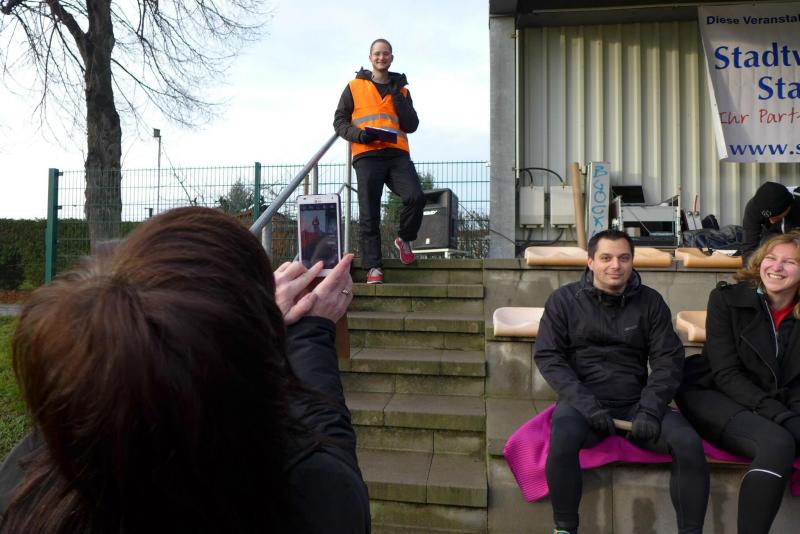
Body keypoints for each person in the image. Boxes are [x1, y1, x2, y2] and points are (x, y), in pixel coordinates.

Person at [0, 207, 370, 533]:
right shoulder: (311, 497)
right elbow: (327, 450)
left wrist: (249, 318)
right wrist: (308, 330)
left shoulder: (29, 478)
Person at [534, 229, 709, 534]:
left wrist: (650, 410)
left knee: (688, 442)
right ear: (590, 262)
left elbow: (668, 360)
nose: (615, 265)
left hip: (636, 404)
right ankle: (564, 529)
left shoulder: (651, 302)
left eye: (623, 258)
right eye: (606, 258)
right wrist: (587, 407)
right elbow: (549, 357)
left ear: (632, 262)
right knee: (562, 440)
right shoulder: (563, 301)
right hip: (583, 404)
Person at [677, 232, 800, 534]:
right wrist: (783, 416)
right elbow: (726, 373)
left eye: (790, 262)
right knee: (777, 442)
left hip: (775, 400)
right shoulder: (727, 300)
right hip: (715, 393)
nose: (776, 267)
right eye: (771, 258)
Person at [333, 37, 425, 284]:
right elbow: (339, 121)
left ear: (391, 58)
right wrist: (359, 135)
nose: (381, 57)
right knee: (369, 212)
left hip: (397, 155)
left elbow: (411, 125)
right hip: (366, 155)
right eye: (377, 54)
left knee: (416, 197)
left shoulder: (402, 90)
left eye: (385, 54)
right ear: (370, 58)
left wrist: (397, 96)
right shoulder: (354, 87)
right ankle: (374, 267)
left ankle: (404, 238)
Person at [741, 181, 800, 264]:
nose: (771, 221)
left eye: (776, 217)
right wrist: (750, 269)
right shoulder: (754, 207)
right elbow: (749, 245)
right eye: (768, 218)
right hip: (772, 236)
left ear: (788, 207)